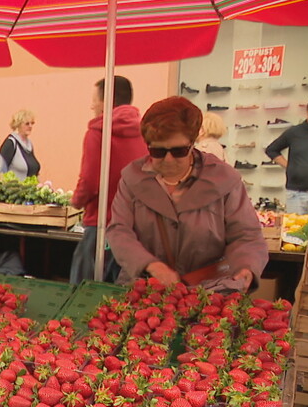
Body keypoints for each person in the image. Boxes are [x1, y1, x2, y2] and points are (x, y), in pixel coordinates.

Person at [107, 96, 267, 293]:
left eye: (179, 151)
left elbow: (247, 235)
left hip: (210, 291)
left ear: (192, 144)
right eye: (158, 151)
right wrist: (150, 265)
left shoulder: (224, 179)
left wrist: (246, 266)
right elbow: (119, 230)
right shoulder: (131, 178)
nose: (168, 159)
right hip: (144, 288)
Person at [69, 76, 148, 285]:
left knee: (83, 288)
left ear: (107, 102)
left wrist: (76, 201)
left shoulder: (98, 132)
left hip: (102, 222)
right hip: (134, 224)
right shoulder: (144, 132)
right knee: (119, 290)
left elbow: (90, 181)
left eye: (95, 100)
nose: (92, 106)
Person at [265, 95, 308, 214]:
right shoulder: (294, 132)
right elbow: (271, 150)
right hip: (296, 194)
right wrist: (289, 166)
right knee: (295, 226)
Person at [0, 109, 41, 179]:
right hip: (14, 185)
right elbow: (0, 169)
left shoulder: (29, 144)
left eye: (32, 123)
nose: (30, 126)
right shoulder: (11, 143)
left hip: (30, 185)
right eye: (27, 124)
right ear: (18, 125)